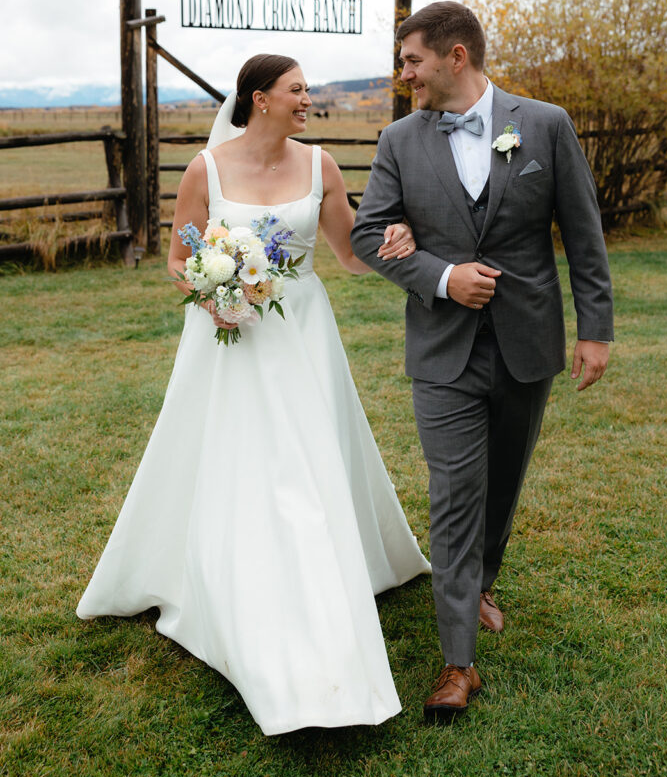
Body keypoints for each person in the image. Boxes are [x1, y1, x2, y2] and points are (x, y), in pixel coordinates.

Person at [77, 54, 430, 736]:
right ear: (259, 98)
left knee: (302, 460)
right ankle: (235, 584)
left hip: (300, 332)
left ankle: (313, 588)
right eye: (298, 90)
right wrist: (210, 289)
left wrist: (396, 243)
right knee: (242, 459)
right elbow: (179, 260)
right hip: (228, 337)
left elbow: (349, 254)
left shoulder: (320, 166)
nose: (308, 99)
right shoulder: (206, 170)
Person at [350, 2, 614, 722]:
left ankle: (483, 578)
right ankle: (456, 664)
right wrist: (440, 276)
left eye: (411, 60)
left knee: (503, 479)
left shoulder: (544, 125)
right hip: (442, 349)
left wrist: (596, 329)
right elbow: (369, 234)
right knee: (454, 492)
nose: (403, 74)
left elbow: (582, 232)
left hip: (527, 340)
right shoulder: (399, 140)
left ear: (454, 56)